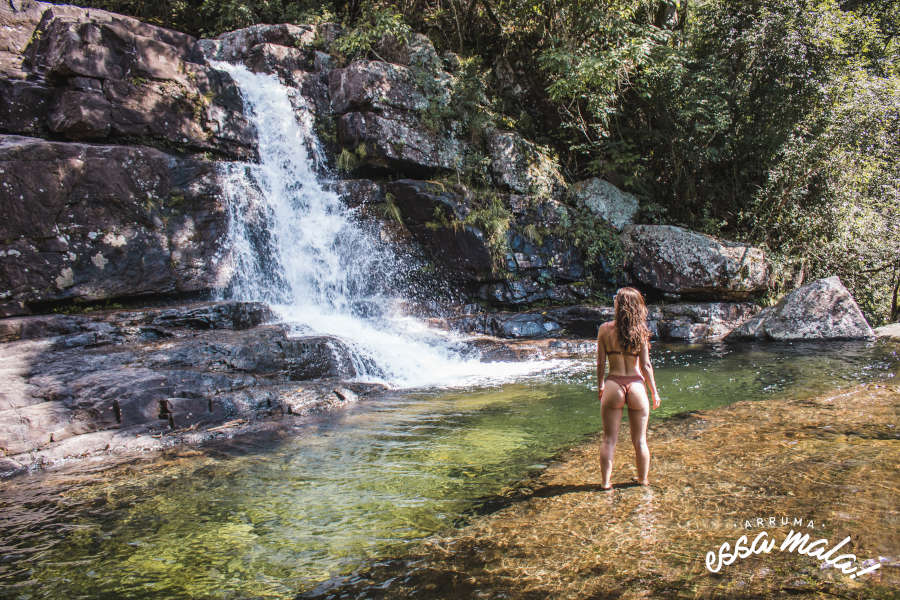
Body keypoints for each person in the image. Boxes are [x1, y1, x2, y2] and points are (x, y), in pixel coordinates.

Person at [596, 287, 661, 490]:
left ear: (619, 305)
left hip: (614, 384)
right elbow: (646, 366)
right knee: (640, 440)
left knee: (609, 439)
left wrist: (600, 385)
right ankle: (643, 480)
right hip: (636, 386)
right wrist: (654, 391)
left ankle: (606, 483)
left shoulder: (604, 329)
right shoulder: (640, 331)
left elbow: (600, 362)